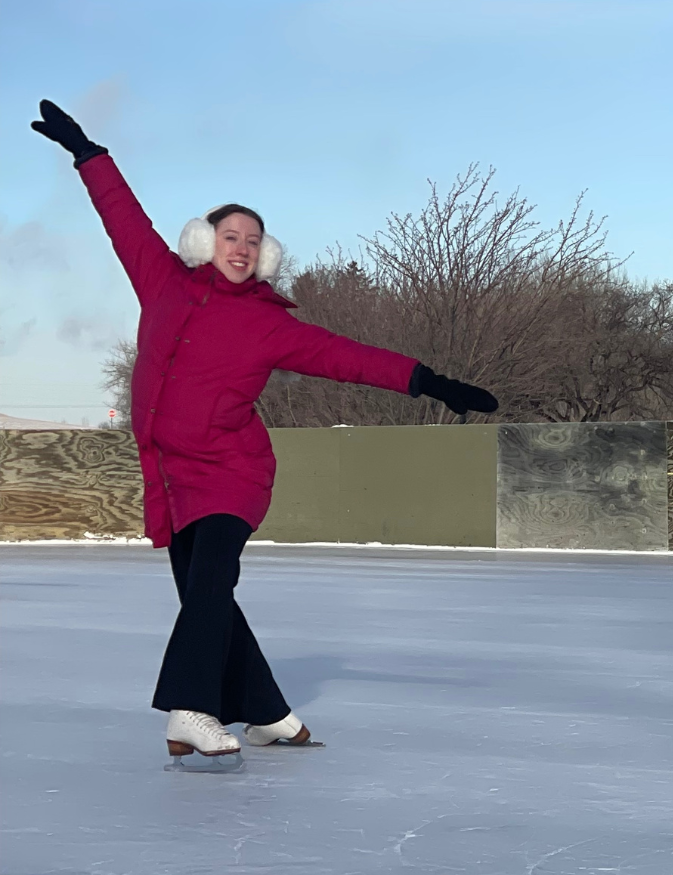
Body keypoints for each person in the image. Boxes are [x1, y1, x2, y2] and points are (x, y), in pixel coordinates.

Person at [31, 100, 499, 766]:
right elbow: (123, 218)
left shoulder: (268, 324)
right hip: (172, 476)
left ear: (264, 255)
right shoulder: (160, 280)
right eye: (231, 236)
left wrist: (431, 381)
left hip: (232, 475)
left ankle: (191, 711)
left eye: (254, 241)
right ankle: (271, 714)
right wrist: (88, 153)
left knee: (210, 586)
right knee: (206, 599)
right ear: (205, 242)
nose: (243, 248)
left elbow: (350, 357)